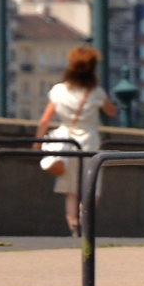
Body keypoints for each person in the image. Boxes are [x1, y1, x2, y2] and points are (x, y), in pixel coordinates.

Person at [34, 46, 118, 234]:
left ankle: (73, 226)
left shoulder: (58, 91)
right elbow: (111, 111)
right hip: (90, 141)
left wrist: (38, 141)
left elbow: (45, 119)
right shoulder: (96, 92)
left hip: (66, 141)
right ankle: (85, 221)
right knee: (90, 186)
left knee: (71, 190)